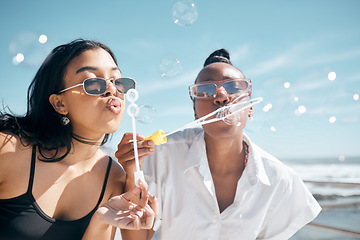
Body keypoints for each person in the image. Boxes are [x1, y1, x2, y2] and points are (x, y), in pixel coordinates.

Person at [117, 49, 322, 240]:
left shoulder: (281, 181)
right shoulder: (159, 157)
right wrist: (132, 170)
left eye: (233, 87)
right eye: (205, 91)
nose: (221, 97)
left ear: (250, 108)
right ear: (196, 112)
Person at [0, 39, 158, 240]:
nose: (112, 90)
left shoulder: (114, 178)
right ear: (59, 103)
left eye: (118, 81)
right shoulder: (8, 150)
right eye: (93, 83)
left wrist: (131, 175)